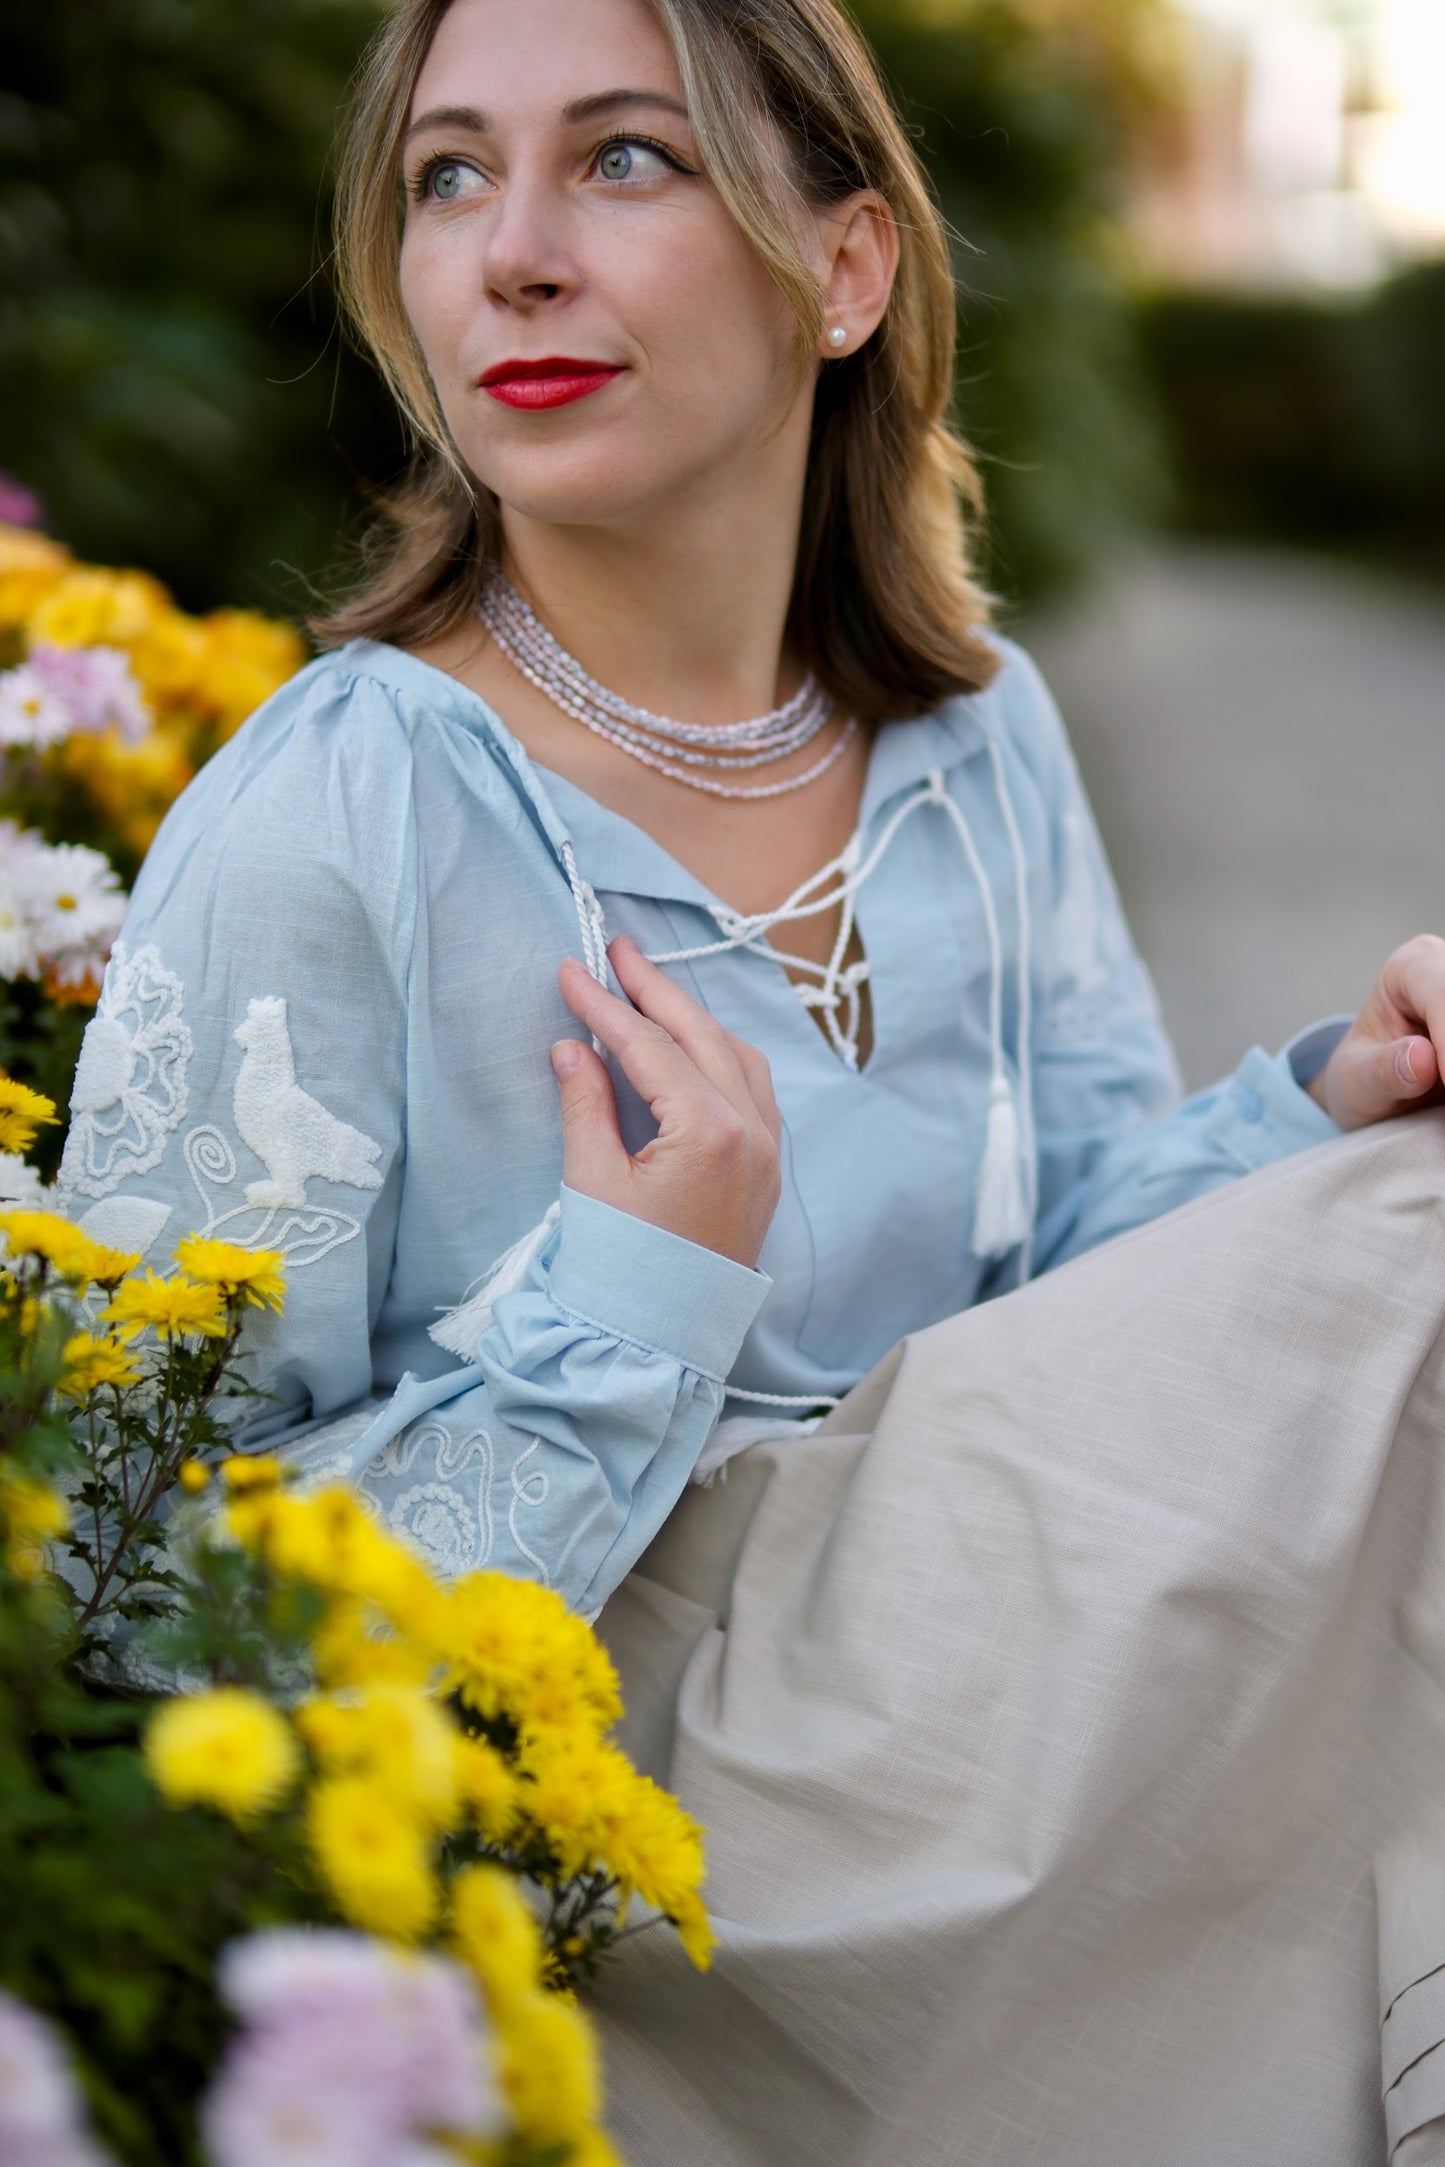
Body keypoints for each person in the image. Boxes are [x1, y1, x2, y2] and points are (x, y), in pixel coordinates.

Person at [55, 0, 1445, 2155]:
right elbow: (123, 1595)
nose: (512, 253)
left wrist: (1308, 1116)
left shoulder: (976, 741)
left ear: (849, 266)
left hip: (988, 1735)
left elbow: (1069, 1335)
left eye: (625, 157)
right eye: (447, 175)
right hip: (638, 1891)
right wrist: (628, 1304)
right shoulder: (346, 810)